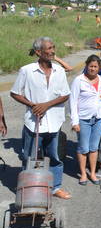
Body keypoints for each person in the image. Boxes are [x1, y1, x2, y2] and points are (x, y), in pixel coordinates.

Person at [10, 37, 71, 199]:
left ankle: (55, 188)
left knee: (55, 158)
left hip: (54, 122)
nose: (52, 51)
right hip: (33, 123)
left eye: (53, 47)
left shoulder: (59, 71)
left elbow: (65, 95)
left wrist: (46, 105)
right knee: (29, 158)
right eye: (49, 49)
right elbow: (15, 93)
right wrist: (32, 105)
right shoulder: (27, 70)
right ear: (38, 52)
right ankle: (26, 188)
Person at [70, 55, 101, 185]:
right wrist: (74, 122)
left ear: (99, 68)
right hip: (83, 119)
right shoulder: (79, 80)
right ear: (86, 66)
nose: (93, 69)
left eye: (95, 67)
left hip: (97, 118)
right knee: (83, 148)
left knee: (93, 148)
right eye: (91, 66)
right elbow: (73, 102)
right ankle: (83, 174)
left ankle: (92, 173)